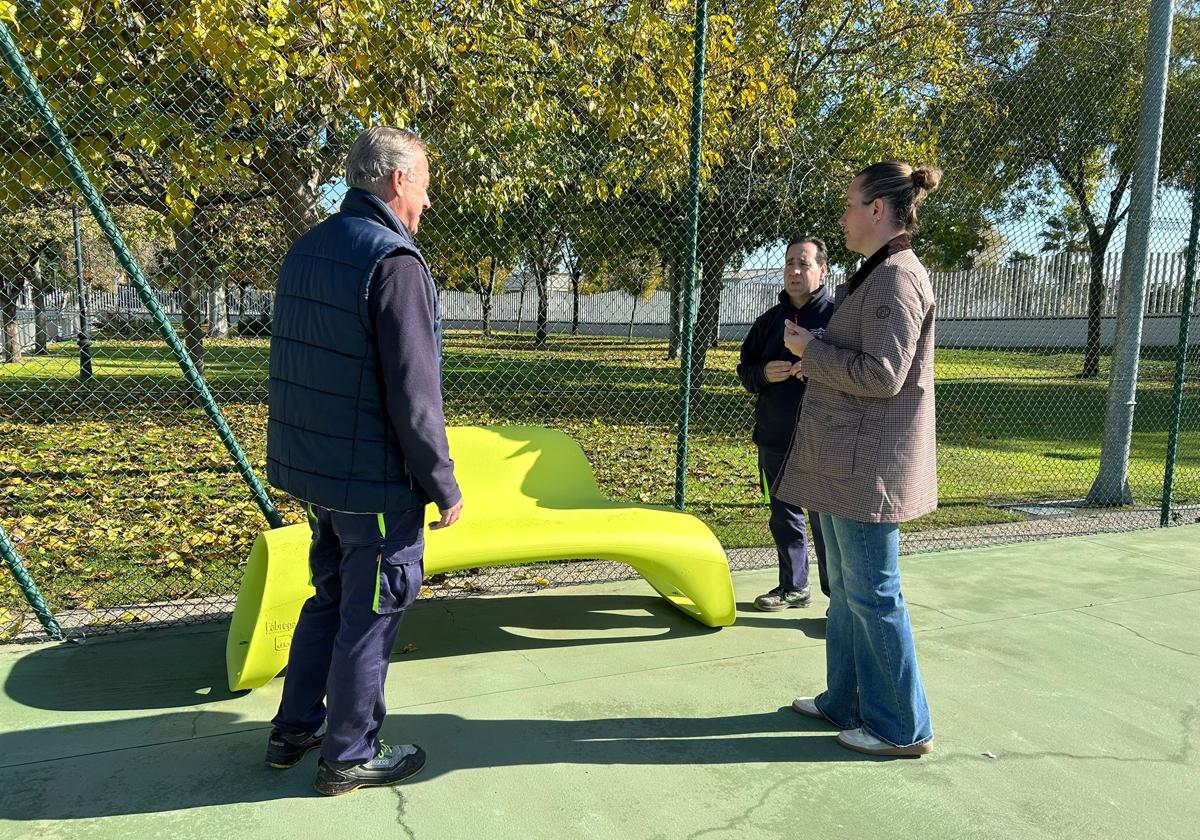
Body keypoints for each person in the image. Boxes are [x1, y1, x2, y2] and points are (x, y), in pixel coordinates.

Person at [263, 126, 463, 795]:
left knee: (330, 598)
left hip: (317, 475)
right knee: (372, 612)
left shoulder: (308, 249)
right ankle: (348, 754)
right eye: (426, 186)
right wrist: (442, 483)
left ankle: (295, 728)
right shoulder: (394, 262)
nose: (428, 203)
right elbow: (415, 395)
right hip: (374, 483)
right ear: (400, 180)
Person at [775, 161, 941, 757]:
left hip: (868, 467)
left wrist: (811, 352)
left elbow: (883, 375)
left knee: (874, 592)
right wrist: (816, 348)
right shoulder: (875, 273)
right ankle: (843, 701)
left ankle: (902, 727)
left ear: (878, 210)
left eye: (850, 204)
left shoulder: (897, 278)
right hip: (845, 462)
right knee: (845, 590)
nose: (842, 215)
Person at [736, 237, 834, 611]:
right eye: (790, 263)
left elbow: (853, 370)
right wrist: (764, 373)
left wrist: (815, 365)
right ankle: (793, 587)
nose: (795, 271)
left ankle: (838, 600)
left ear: (822, 271)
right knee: (783, 515)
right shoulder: (768, 323)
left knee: (827, 525)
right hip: (775, 436)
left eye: (804, 263)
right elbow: (745, 373)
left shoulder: (837, 318)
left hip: (823, 438)